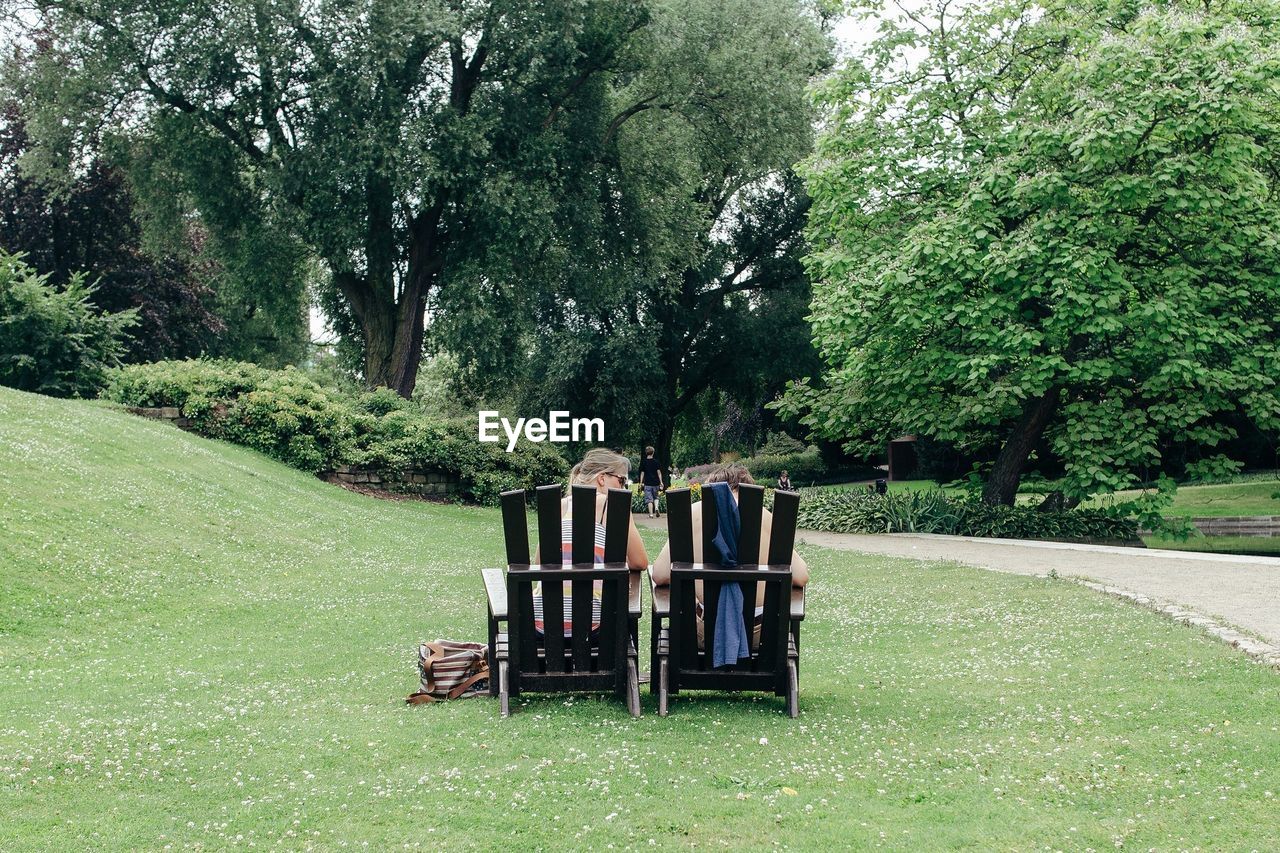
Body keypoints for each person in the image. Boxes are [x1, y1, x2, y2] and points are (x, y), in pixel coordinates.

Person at [650, 462, 808, 647]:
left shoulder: (694, 513)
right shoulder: (765, 517)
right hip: (760, 636)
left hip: (705, 633)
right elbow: (801, 576)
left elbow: (659, 574)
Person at [531, 448, 648, 637]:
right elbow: (640, 562)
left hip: (542, 626)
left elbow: (539, 565)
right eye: (622, 481)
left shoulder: (558, 506)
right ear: (602, 478)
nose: (624, 488)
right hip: (596, 629)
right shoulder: (614, 506)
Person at [638, 445, 666, 519]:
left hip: (647, 483)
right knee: (656, 496)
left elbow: (642, 473)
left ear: (646, 453)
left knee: (649, 499)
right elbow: (659, 472)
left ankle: (651, 514)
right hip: (656, 482)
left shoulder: (644, 462)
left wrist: (641, 482)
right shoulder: (656, 462)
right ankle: (656, 507)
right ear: (653, 453)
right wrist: (661, 481)